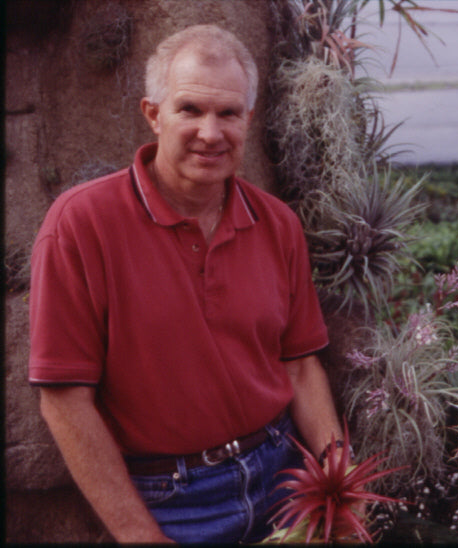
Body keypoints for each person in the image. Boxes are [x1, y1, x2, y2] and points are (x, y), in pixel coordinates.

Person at [28, 25, 346, 543]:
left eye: (228, 113)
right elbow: (63, 400)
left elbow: (301, 365)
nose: (210, 132)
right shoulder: (81, 224)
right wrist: (140, 537)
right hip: (170, 501)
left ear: (249, 117)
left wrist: (340, 485)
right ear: (152, 114)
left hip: (285, 477)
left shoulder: (277, 223)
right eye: (190, 110)